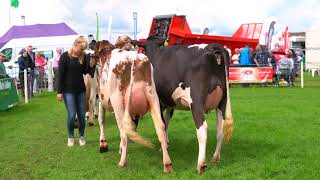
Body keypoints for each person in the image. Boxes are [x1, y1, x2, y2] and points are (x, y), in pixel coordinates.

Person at [57, 36, 96, 147]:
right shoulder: (65, 56)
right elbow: (60, 75)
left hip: (81, 90)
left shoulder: (82, 56)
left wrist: (91, 65)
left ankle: (81, 137)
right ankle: (70, 137)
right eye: (81, 48)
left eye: (84, 49)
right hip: (68, 91)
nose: (82, 51)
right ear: (75, 45)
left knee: (81, 115)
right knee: (72, 113)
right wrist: (59, 92)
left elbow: (85, 71)